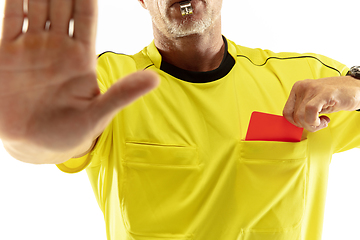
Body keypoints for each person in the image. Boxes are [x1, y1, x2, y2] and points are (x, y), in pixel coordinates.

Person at [0, 0, 359, 240]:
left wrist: (357, 87)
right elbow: (48, 142)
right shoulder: (106, 81)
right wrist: (29, 136)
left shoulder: (306, 79)